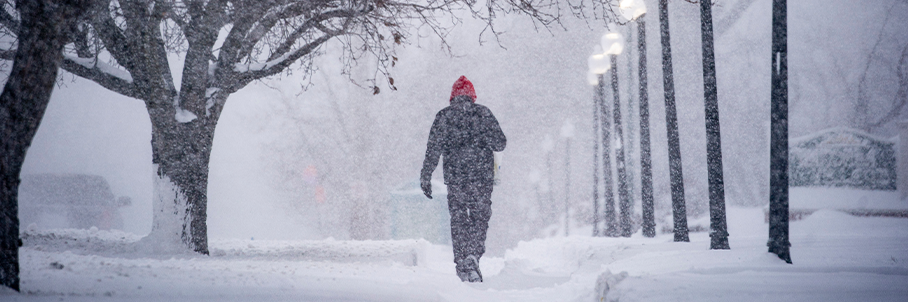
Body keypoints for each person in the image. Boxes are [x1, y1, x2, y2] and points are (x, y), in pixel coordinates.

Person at [420, 75, 506, 282]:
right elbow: (500, 144)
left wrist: (426, 175)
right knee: (479, 218)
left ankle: (462, 261)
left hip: (456, 179)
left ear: (452, 97)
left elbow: (433, 149)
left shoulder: (444, 117)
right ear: (472, 95)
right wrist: (482, 136)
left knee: (458, 219)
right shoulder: (483, 114)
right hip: (481, 178)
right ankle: (473, 255)